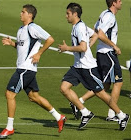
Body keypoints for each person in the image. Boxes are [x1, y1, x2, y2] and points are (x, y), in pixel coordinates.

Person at [0, 4, 66, 139]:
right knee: (34, 97)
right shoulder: (21, 29)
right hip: (24, 68)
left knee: (10, 94)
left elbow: (50, 39)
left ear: (30, 15)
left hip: (26, 69)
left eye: (23, 12)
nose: (20, 14)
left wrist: (39, 53)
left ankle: (9, 128)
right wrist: (12, 44)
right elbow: (22, 47)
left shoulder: (33, 27)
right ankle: (59, 117)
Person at [58, 2, 129, 130]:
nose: (65, 16)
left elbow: (83, 47)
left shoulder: (79, 27)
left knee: (101, 93)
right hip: (77, 66)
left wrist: (67, 48)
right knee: (64, 88)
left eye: (68, 13)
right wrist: (89, 45)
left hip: (87, 68)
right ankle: (85, 113)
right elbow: (95, 33)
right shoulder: (79, 26)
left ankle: (121, 115)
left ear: (75, 14)